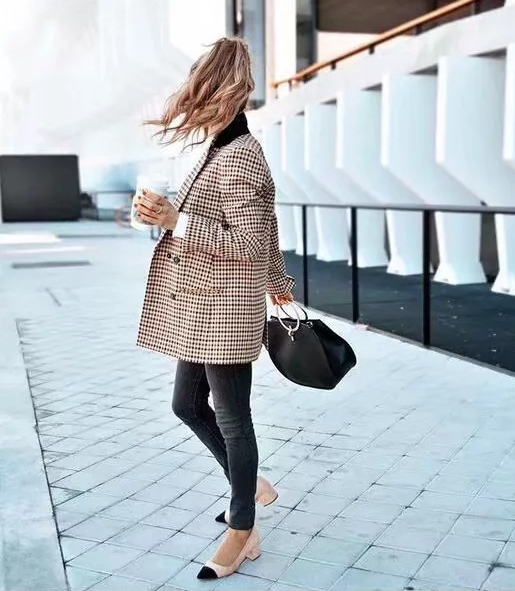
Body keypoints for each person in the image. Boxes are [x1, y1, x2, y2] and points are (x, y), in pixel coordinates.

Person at [134, 37, 294, 580]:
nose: (196, 106)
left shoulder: (242, 154)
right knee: (186, 405)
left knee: (232, 419)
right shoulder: (217, 148)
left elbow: (248, 240)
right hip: (200, 306)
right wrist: (156, 214)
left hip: (223, 310)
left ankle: (242, 527)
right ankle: (247, 484)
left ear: (228, 95)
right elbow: (262, 234)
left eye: (205, 94)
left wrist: (177, 220)